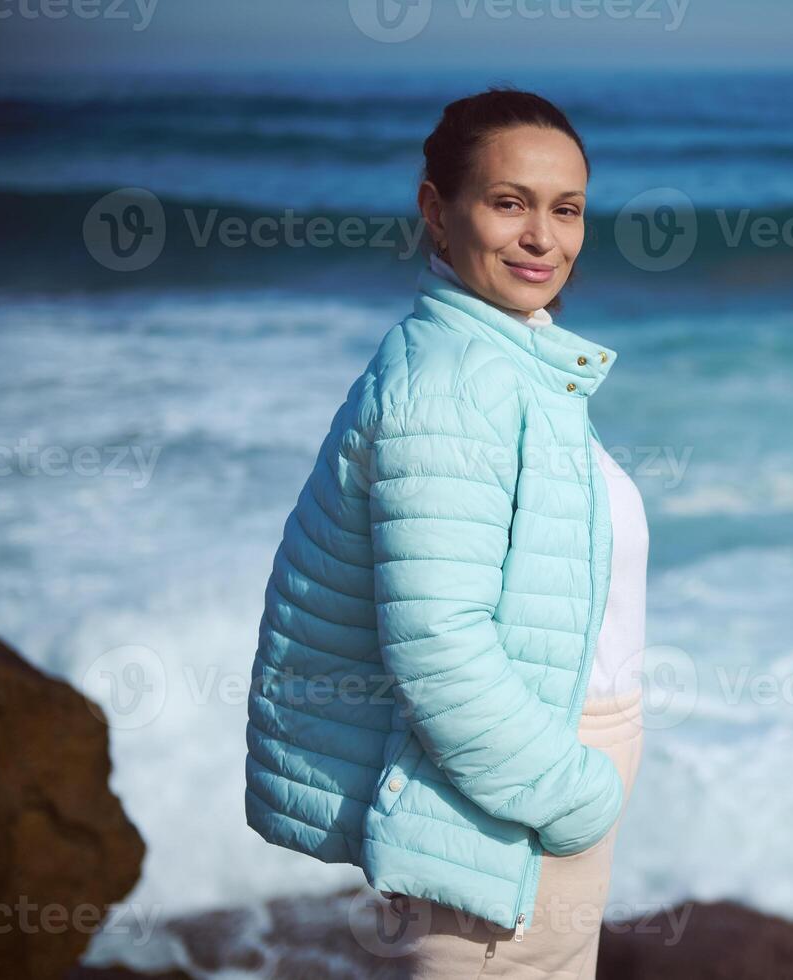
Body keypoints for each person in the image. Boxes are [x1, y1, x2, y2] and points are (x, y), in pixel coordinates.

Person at [244, 88, 650, 979]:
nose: (543, 237)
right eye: (509, 203)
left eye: (566, 209)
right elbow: (436, 646)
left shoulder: (510, 355)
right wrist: (578, 796)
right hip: (511, 806)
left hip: (527, 786)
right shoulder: (456, 385)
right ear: (437, 209)